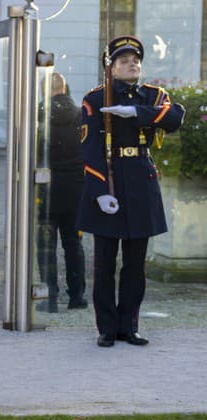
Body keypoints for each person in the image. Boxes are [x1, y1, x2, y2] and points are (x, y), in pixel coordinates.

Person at [77, 36, 184, 347]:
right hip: (109, 181)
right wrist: (99, 191)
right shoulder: (94, 99)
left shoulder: (153, 95)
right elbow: (90, 149)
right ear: (110, 68)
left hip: (140, 180)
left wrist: (136, 112)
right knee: (105, 263)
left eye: (135, 59)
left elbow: (174, 117)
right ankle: (107, 328)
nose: (132, 64)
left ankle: (129, 325)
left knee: (136, 263)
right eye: (123, 60)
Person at [36, 72, 87, 313]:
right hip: (75, 188)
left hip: (47, 189)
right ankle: (77, 296)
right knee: (73, 244)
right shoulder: (80, 114)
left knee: (46, 245)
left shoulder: (37, 115)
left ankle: (50, 296)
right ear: (65, 88)